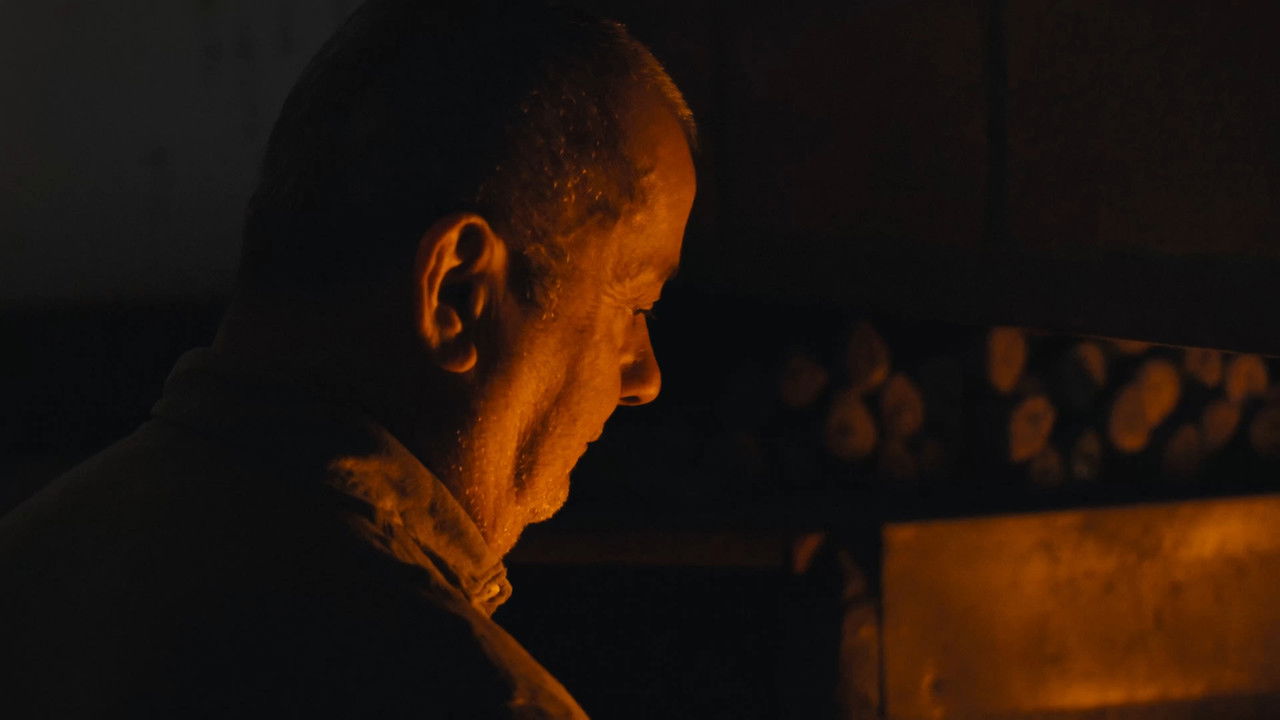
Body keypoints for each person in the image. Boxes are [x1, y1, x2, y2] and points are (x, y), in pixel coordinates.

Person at [0, 1, 696, 716]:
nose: (645, 378)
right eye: (635, 303)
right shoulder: (465, 694)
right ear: (457, 294)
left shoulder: (30, 567)